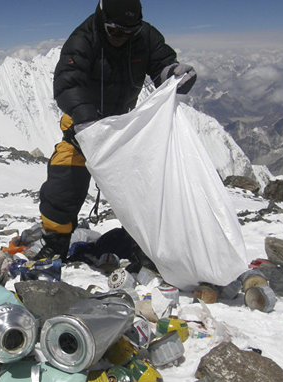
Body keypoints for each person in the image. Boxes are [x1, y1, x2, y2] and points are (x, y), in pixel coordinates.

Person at [34, 0, 197, 261]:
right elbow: (67, 83)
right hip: (81, 127)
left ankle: (142, 243)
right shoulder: (83, 39)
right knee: (65, 180)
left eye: (130, 32)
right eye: (116, 31)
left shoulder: (145, 36)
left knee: (142, 186)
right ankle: (56, 242)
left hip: (123, 129)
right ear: (102, 19)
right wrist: (86, 122)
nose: (123, 37)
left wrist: (174, 74)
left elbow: (161, 64)